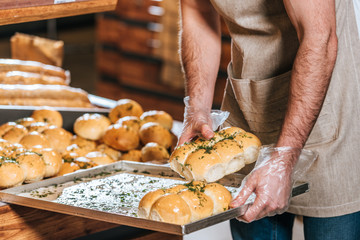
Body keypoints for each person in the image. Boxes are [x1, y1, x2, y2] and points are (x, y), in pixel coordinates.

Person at [177, 0, 360, 239]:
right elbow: (197, 11)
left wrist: (284, 156)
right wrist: (197, 109)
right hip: (249, 100)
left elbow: (319, 39)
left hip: (324, 94)